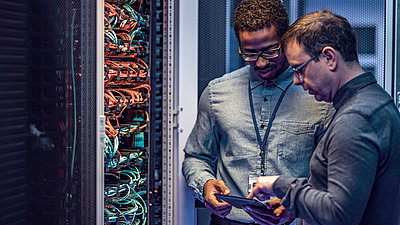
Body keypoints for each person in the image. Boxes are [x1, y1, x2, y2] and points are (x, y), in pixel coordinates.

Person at [182, 0, 333, 224]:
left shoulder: (318, 96)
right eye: (250, 54)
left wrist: (298, 204)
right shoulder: (216, 93)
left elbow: (331, 174)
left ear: (286, 40)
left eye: (270, 51)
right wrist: (204, 182)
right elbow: (196, 157)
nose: (260, 63)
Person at [244, 9, 400, 225]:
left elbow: (337, 214)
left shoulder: (355, 119)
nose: (297, 80)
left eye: (299, 69)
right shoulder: (376, 101)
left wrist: (279, 184)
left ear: (329, 57)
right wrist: (298, 205)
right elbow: (351, 194)